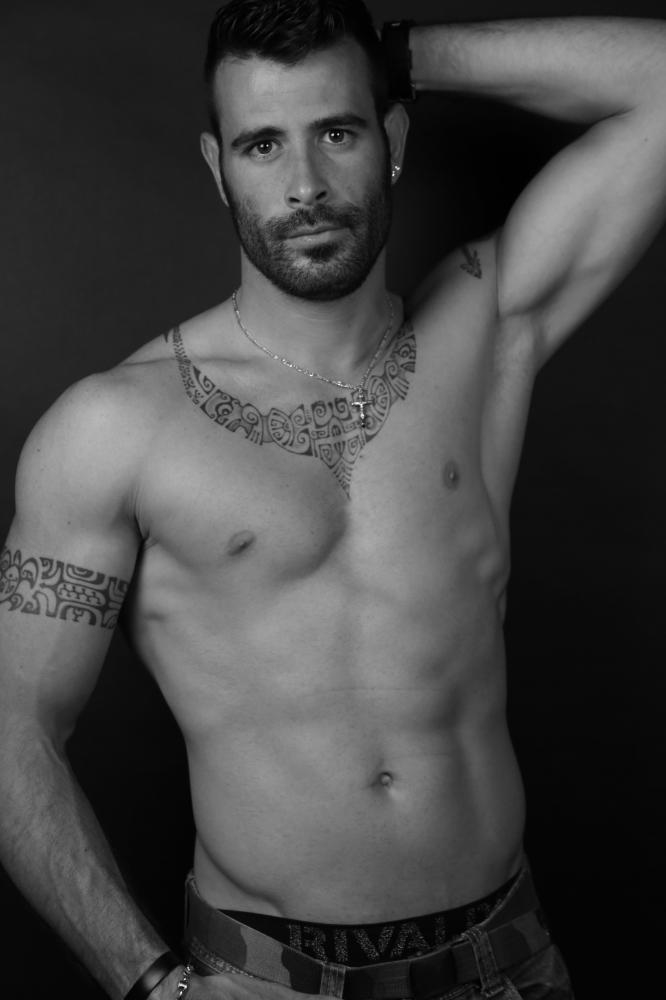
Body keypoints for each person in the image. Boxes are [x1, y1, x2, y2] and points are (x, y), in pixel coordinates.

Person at [1, 0, 665, 997]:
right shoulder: (115, 427)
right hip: (264, 982)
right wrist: (148, 982)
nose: (305, 183)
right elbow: (12, 725)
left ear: (393, 138)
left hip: (509, 966)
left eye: (338, 131)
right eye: (262, 144)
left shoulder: (485, 330)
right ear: (218, 167)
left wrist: (402, 55)